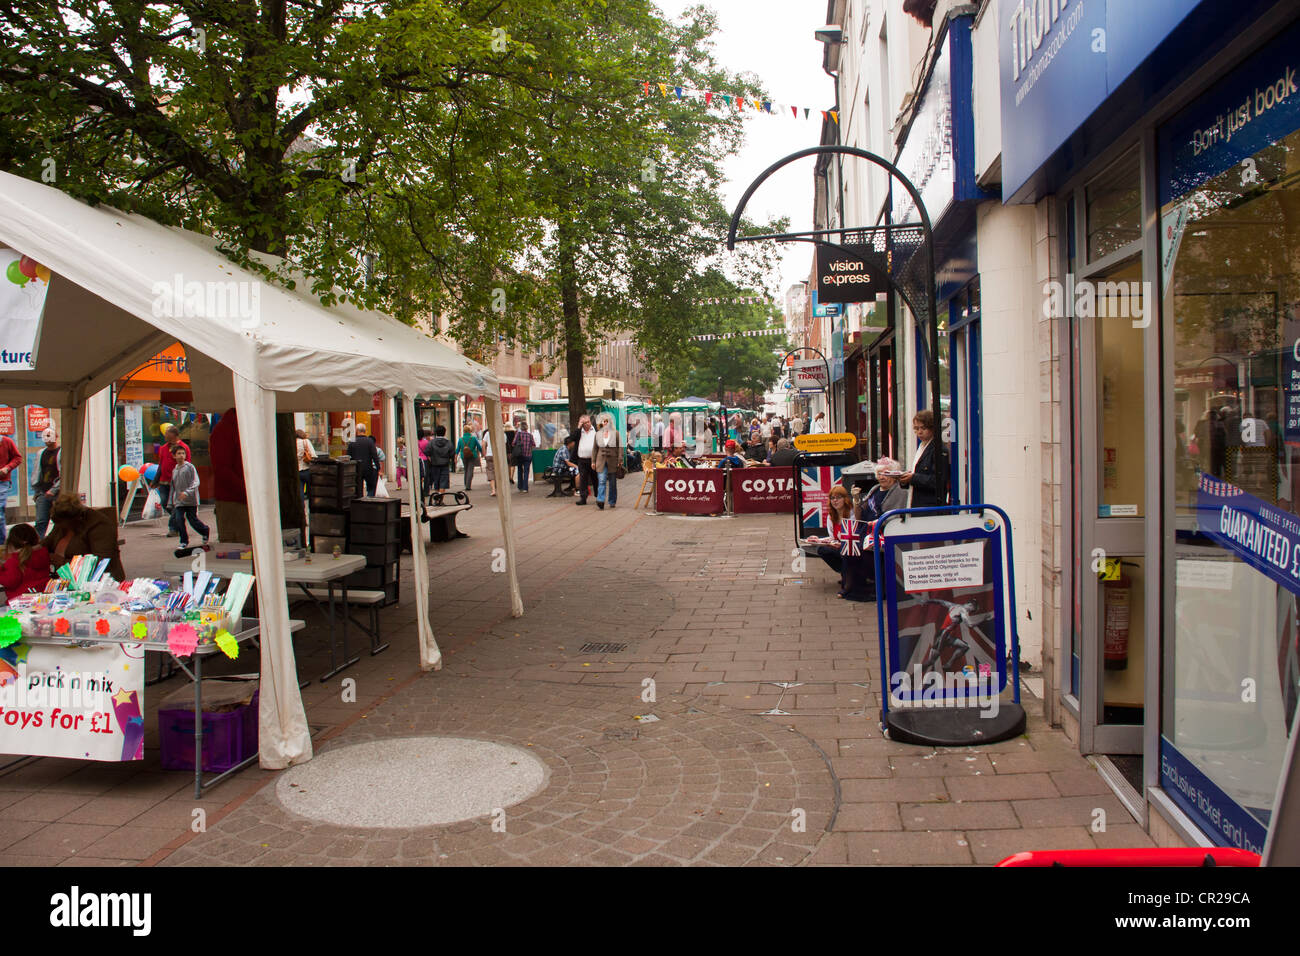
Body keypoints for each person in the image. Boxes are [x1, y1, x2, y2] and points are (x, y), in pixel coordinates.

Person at [42, 494, 125, 581]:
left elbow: (102, 562)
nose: (59, 526)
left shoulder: (99, 525)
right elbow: (49, 541)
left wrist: (63, 562)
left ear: (75, 518)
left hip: (99, 581)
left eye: (63, 523)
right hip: (67, 579)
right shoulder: (61, 522)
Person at [209, 407, 249, 543]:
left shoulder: (242, 427)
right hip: (234, 500)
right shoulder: (225, 430)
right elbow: (222, 470)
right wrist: (247, 492)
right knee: (240, 548)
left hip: (242, 498)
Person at [900, 410, 949, 507]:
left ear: (932, 428)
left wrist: (912, 477)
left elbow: (938, 480)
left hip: (930, 507)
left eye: (923, 428)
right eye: (916, 428)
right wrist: (905, 479)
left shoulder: (938, 449)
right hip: (917, 503)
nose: (919, 432)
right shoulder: (921, 447)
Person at [169, 444, 210, 549]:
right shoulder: (174, 470)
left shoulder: (190, 467)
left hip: (191, 500)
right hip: (179, 501)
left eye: (183, 453)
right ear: (174, 456)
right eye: (179, 453)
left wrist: (187, 492)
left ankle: (205, 530)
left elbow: (196, 482)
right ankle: (183, 541)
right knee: (179, 519)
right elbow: (173, 487)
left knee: (192, 520)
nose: (181, 455)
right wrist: (171, 501)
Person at [154, 424, 192, 537]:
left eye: (167, 434)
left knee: (175, 504)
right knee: (165, 502)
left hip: (177, 482)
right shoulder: (163, 448)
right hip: (164, 481)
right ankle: (179, 519)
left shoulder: (183, 448)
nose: (165, 436)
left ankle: (173, 528)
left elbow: (187, 465)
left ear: (174, 435)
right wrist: (155, 480)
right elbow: (161, 465)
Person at [0, 523, 51, 604]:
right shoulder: (43, 553)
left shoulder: (15, 559)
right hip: (43, 598)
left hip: (20, 602)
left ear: (11, 543)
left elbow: (11, 582)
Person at [30, 428, 60, 536]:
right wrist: (37, 492)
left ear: (56, 436)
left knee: (60, 522)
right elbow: (37, 473)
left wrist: (54, 489)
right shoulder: (41, 453)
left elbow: (64, 473)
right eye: (45, 436)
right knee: (40, 522)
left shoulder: (61, 452)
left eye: (49, 435)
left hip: (58, 493)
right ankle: (38, 547)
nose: (47, 439)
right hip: (43, 492)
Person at [592, 413, 621, 509]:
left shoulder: (616, 433)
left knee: (612, 482)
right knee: (602, 480)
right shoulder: (598, 434)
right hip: (600, 460)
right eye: (603, 421)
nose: (605, 423)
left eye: (607, 421)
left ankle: (612, 501)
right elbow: (595, 449)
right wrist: (593, 461)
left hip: (612, 460)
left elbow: (620, 447)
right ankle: (600, 500)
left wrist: (620, 459)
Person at [346, 423, 381, 498]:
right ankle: (369, 499)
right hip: (368, 468)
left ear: (357, 431)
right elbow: (374, 455)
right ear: (365, 431)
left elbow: (348, 456)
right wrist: (378, 467)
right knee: (371, 486)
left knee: (358, 488)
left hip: (356, 469)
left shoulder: (352, 442)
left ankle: (360, 501)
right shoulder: (370, 442)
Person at [425, 425, 455, 498]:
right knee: (443, 482)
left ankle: (437, 497)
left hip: (434, 464)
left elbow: (427, 452)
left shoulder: (431, 443)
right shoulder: (448, 443)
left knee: (436, 481)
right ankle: (441, 498)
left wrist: (431, 458)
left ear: (436, 433)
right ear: (444, 433)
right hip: (445, 465)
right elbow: (452, 453)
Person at [574, 415, 597, 505]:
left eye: (588, 422)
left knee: (595, 478)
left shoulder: (595, 431)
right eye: (584, 422)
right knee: (583, 479)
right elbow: (572, 437)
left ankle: (598, 496)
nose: (587, 424)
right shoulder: (579, 432)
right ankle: (583, 498)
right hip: (582, 459)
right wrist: (578, 427)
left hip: (593, 459)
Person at [511, 416, 535, 493]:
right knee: (526, 471)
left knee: (519, 470)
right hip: (528, 455)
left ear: (521, 427)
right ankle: (525, 487)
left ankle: (520, 486)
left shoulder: (518, 434)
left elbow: (513, 443)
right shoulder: (530, 435)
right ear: (527, 427)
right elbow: (533, 444)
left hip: (520, 455)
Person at [457, 427, 482, 492]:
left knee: (466, 469)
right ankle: (468, 485)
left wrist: (456, 455)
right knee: (470, 470)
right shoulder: (473, 438)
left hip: (464, 455)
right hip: (472, 455)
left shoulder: (460, 439)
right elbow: (479, 447)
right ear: (470, 431)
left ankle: (466, 484)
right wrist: (482, 453)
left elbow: (458, 449)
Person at [295, 428, 316, 500]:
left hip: (297, 471)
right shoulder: (305, 442)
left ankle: (301, 507)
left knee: (300, 491)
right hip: (307, 469)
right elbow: (313, 455)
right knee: (311, 490)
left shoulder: (292, 443)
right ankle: (312, 506)